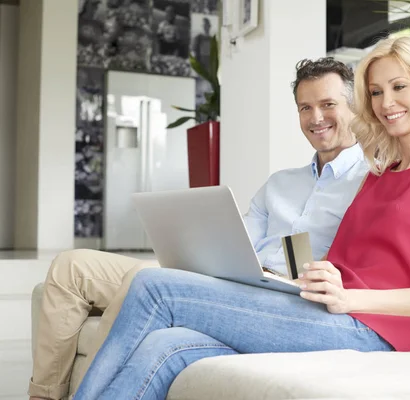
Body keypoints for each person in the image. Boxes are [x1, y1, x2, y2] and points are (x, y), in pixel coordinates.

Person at [72, 36, 410, 400]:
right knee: (165, 343)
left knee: (153, 285)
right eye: (376, 92)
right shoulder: (379, 174)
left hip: (370, 331)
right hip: (321, 311)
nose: (386, 103)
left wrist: (349, 299)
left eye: (400, 87)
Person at [28, 57, 366, 400]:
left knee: (145, 284)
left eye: (328, 105)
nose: (316, 117)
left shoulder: (369, 181)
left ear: (354, 107)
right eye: (305, 107)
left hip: (277, 298)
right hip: (224, 277)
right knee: (71, 267)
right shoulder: (280, 183)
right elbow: (239, 240)